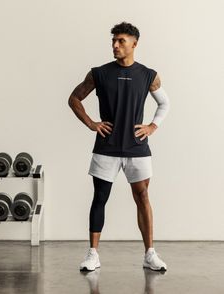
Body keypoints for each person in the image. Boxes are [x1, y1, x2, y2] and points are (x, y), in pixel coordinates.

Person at [68, 21, 170, 272]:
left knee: (143, 197)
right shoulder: (99, 73)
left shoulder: (149, 75)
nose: (115, 45)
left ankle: (150, 254)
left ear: (134, 43)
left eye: (121, 41)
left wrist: (152, 127)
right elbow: (74, 98)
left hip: (137, 148)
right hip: (107, 147)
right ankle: (93, 254)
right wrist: (92, 123)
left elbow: (164, 103)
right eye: (113, 40)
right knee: (100, 198)